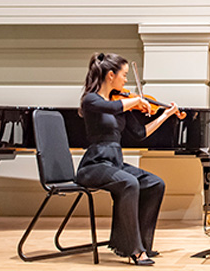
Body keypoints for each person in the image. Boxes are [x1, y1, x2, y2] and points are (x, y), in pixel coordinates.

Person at [76, 52, 182, 266]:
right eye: (124, 75)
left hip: (114, 163)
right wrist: (135, 101)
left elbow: (140, 133)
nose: (126, 81)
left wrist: (165, 115)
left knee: (154, 183)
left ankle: (142, 243)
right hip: (94, 165)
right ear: (111, 75)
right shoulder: (91, 100)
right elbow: (112, 108)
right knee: (129, 182)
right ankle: (134, 250)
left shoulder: (121, 103)